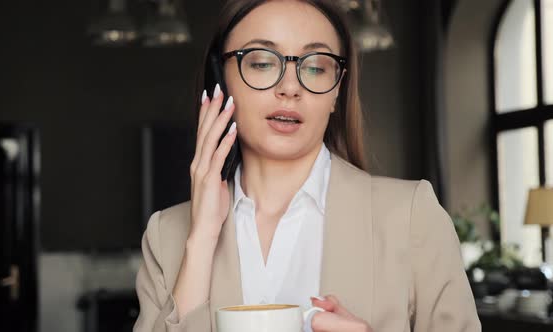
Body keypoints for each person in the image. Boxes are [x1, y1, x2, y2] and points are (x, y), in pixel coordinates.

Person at [133, 0, 481, 331]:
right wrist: (202, 238)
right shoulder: (167, 235)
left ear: (336, 92)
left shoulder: (411, 216)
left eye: (315, 67)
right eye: (261, 62)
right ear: (222, 79)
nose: (289, 87)